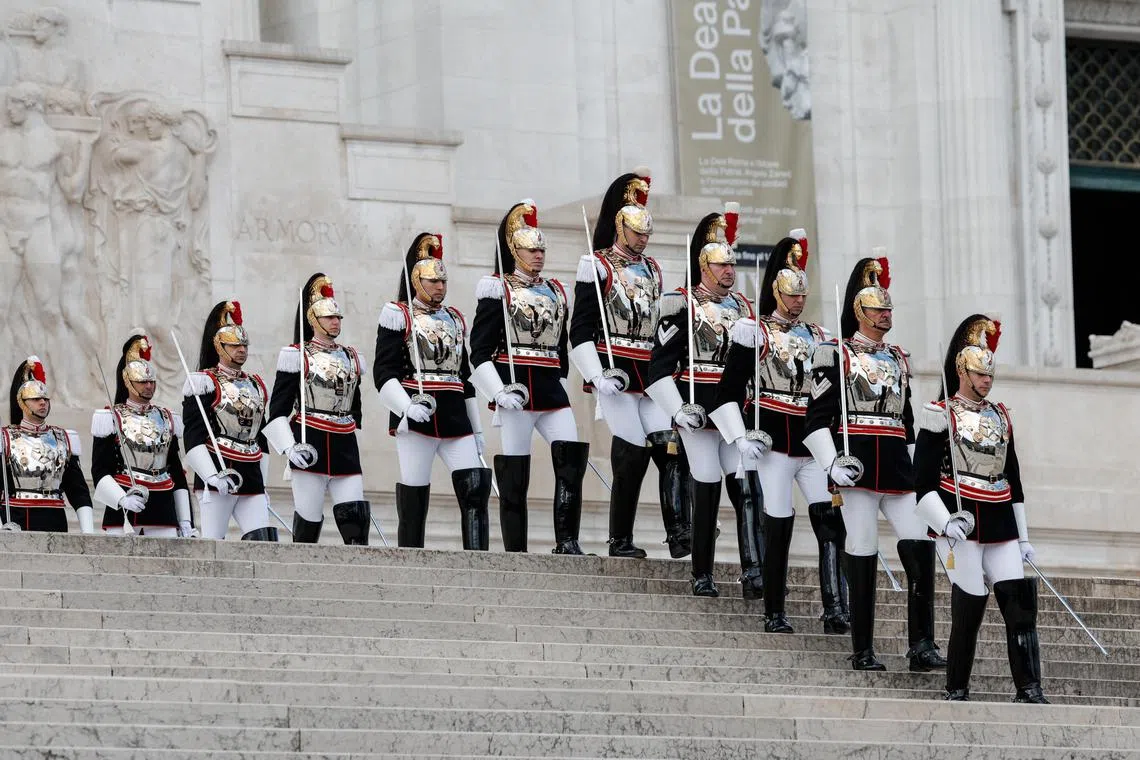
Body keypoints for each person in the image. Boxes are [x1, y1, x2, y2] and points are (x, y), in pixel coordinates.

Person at [802, 257, 946, 671]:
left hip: (899, 469)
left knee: (919, 546)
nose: (886, 315)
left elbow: (908, 424)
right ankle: (862, 648)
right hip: (858, 468)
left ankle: (922, 644)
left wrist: (924, 476)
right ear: (859, 312)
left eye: (889, 309)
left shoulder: (899, 358)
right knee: (862, 549)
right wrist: (831, 465)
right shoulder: (836, 354)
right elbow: (815, 419)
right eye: (879, 309)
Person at [712, 230, 849, 633]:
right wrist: (740, 437)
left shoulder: (818, 336)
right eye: (792, 294)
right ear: (776, 291)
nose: (799, 301)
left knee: (830, 521)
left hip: (809, 442)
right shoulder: (753, 332)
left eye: (803, 295)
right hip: (771, 442)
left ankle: (836, 607)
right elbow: (726, 393)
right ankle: (774, 610)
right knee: (778, 523)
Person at [914, 315, 1048, 703]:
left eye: (991, 373)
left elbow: (1014, 480)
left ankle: (1029, 687)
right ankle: (956, 686)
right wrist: (944, 522)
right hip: (960, 517)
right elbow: (920, 482)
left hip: (1000, 518)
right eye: (980, 373)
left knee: (1019, 605)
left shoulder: (1000, 415)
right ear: (962, 371)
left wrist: (1023, 537)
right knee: (969, 605)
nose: (987, 380)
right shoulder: (940, 413)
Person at [646, 203, 766, 598]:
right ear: (704, 267)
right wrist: (678, 410)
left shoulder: (746, 309)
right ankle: (702, 572)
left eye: (732, 266)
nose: (730, 271)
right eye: (722, 266)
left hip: (733, 409)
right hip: (697, 406)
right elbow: (659, 367)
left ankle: (754, 571)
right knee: (707, 484)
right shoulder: (680, 303)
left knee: (747, 484)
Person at [569, 168, 691, 559]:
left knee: (670, 444)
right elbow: (580, 329)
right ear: (620, 226)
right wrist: (596, 373)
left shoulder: (653, 268)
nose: (643, 239)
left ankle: (679, 530)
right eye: (637, 232)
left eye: (647, 234)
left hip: (649, 368)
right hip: (616, 368)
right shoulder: (596, 265)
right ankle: (619, 539)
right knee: (632, 450)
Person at [469, 200, 590, 554]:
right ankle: (516, 548)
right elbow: (477, 352)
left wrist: (562, 384)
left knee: (571, 461)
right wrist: (498, 392)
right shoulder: (497, 288)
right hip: (515, 391)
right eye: (530, 249)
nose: (538, 255)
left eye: (541, 249)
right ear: (514, 250)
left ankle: (567, 540)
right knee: (515, 473)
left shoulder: (555, 290)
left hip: (551, 391)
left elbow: (561, 347)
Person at [374, 232, 491, 550]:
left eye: (443, 281)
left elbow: (465, 379)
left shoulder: (455, 319)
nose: (440, 286)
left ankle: (479, 560)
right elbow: (383, 373)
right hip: (418, 414)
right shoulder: (399, 316)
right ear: (416, 281)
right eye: (432, 280)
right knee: (415, 491)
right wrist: (405, 407)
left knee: (475, 488)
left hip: (456, 417)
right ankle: (411, 556)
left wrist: (477, 429)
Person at [265, 274, 371, 544]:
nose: (336, 322)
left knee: (355, 516)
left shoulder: (351, 356)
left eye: (338, 317)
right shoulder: (296, 355)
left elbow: (353, 401)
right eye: (329, 317)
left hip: (344, 442)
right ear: (313, 320)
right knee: (309, 520)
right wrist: (289, 448)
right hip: (309, 437)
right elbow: (277, 410)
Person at [181, 301, 277, 541]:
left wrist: (263, 483)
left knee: (262, 540)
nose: (241, 350)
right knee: (214, 542)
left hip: (251, 473)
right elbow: (193, 435)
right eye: (235, 345)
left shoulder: (255, 383)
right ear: (220, 346)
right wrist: (210, 476)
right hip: (218, 469)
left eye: (244, 345)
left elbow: (260, 436)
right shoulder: (203, 382)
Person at [91, 335, 192, 537]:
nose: (148, 386)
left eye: (151, 381)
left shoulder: (166, 417)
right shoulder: (111, 418)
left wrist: (185, 520)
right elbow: (100, 470)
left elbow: (176, 473)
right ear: (128, 382)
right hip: (126, 497)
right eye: (142, 381)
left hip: (163, 504)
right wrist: (120, 499)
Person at [2, 356, 93, 533]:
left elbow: (77, 490)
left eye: (45, 398)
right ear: (22, 402)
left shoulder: (62, 438)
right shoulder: (5, 438)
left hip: (55, 518)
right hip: (17, 518)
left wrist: (88, 532)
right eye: (36, 398)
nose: (42, 402)